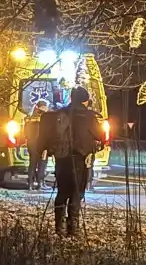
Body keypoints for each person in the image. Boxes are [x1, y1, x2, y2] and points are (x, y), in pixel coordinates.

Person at [35, 86, 103, 237]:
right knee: (76, 193)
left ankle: (59, 228)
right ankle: (73, 229)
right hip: (80, 159)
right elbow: (100, 136)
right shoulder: (89, 117)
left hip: (62, 158)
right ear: (85, 101)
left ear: (71, 98)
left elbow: (46, 137)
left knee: (62, 192)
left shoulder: (59, 114)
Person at [25, 99, 50, 191]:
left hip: (31, 144)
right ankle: (40, 183)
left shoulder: (29, 117)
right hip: (42, 144)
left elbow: (25, 132)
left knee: (32, 163)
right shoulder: (45, 117)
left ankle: (30, 184)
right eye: (46, 106)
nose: (48, 108)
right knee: (42, 164)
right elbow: (46, 133)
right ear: (43, 107)